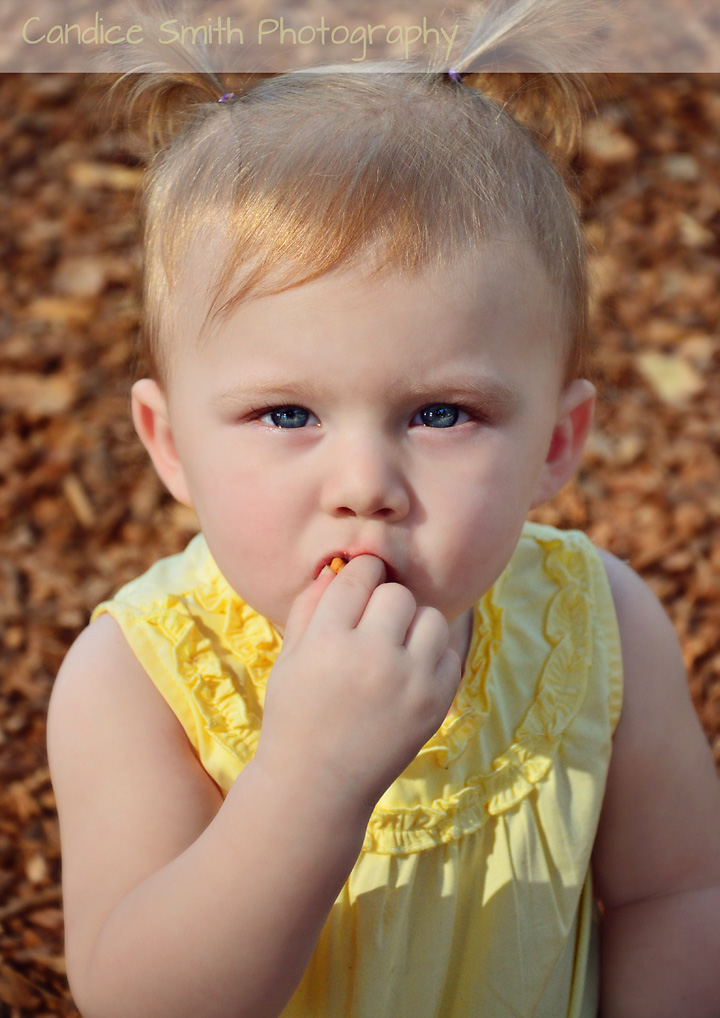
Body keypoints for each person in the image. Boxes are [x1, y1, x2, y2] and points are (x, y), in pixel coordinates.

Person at [47, 3, 720, 1016]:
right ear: (171, 443)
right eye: (287, 412)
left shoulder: (603, 627)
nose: (364, 481)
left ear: (555, 444)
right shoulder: (135, 684)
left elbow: (678, 892)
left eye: (442, 411)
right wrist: (309, 781)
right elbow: (138, 999)